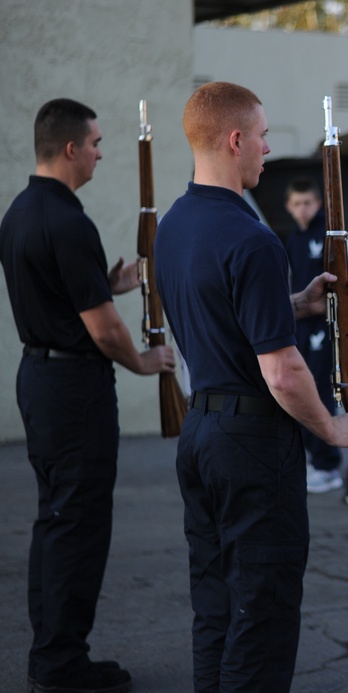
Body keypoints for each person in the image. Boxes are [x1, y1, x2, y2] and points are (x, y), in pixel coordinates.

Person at [154, 81, 348, 692]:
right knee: (264, 614)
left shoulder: (173, 225)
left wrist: (298, 303)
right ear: (234, 140)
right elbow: (280, 371)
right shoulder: (253, 238)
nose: (268, 149)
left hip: (202, 432)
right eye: (261, 136)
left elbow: (220, 312)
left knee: (218, 607)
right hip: (253, 440)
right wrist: (331, 429)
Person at [0, 98, 175, 693]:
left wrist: (109, 284)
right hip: (74, 389)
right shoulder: (69, 220)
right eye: (97, 142)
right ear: (71, 148)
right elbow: (102, 330)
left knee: (55, 522)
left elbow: (64, 299)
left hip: (42, 379)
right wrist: (144, 362)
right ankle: (60, 664)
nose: (102, 152)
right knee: (77, 526)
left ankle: (51, 653)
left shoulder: (22, 210)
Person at [283, 177, 344, 494]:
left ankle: (328, 465)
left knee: (320, 391)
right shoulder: (294, 238)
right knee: (302, 390)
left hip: (322, 326)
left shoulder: (327, 234)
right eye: (296, 204)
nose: (302, 209)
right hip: (301, 325)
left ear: (318, 203)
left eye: (307, 202)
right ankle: (314, 459)